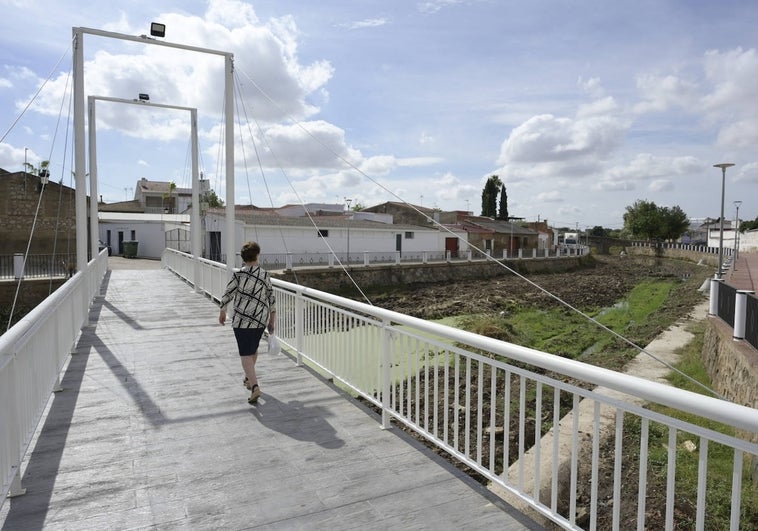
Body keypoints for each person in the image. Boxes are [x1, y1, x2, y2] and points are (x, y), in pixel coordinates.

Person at [219, 241, 276, 404]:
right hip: (259, 319)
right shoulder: (264, 275)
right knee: (253, 350)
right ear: (257, 255)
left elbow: (228, 293)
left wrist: (222, 310)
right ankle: (248, 378)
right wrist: (272, 319)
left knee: (245, 353)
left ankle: (255, 386)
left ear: (243, 258)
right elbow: (271, 298)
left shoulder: (239, 275)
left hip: (242, 320)